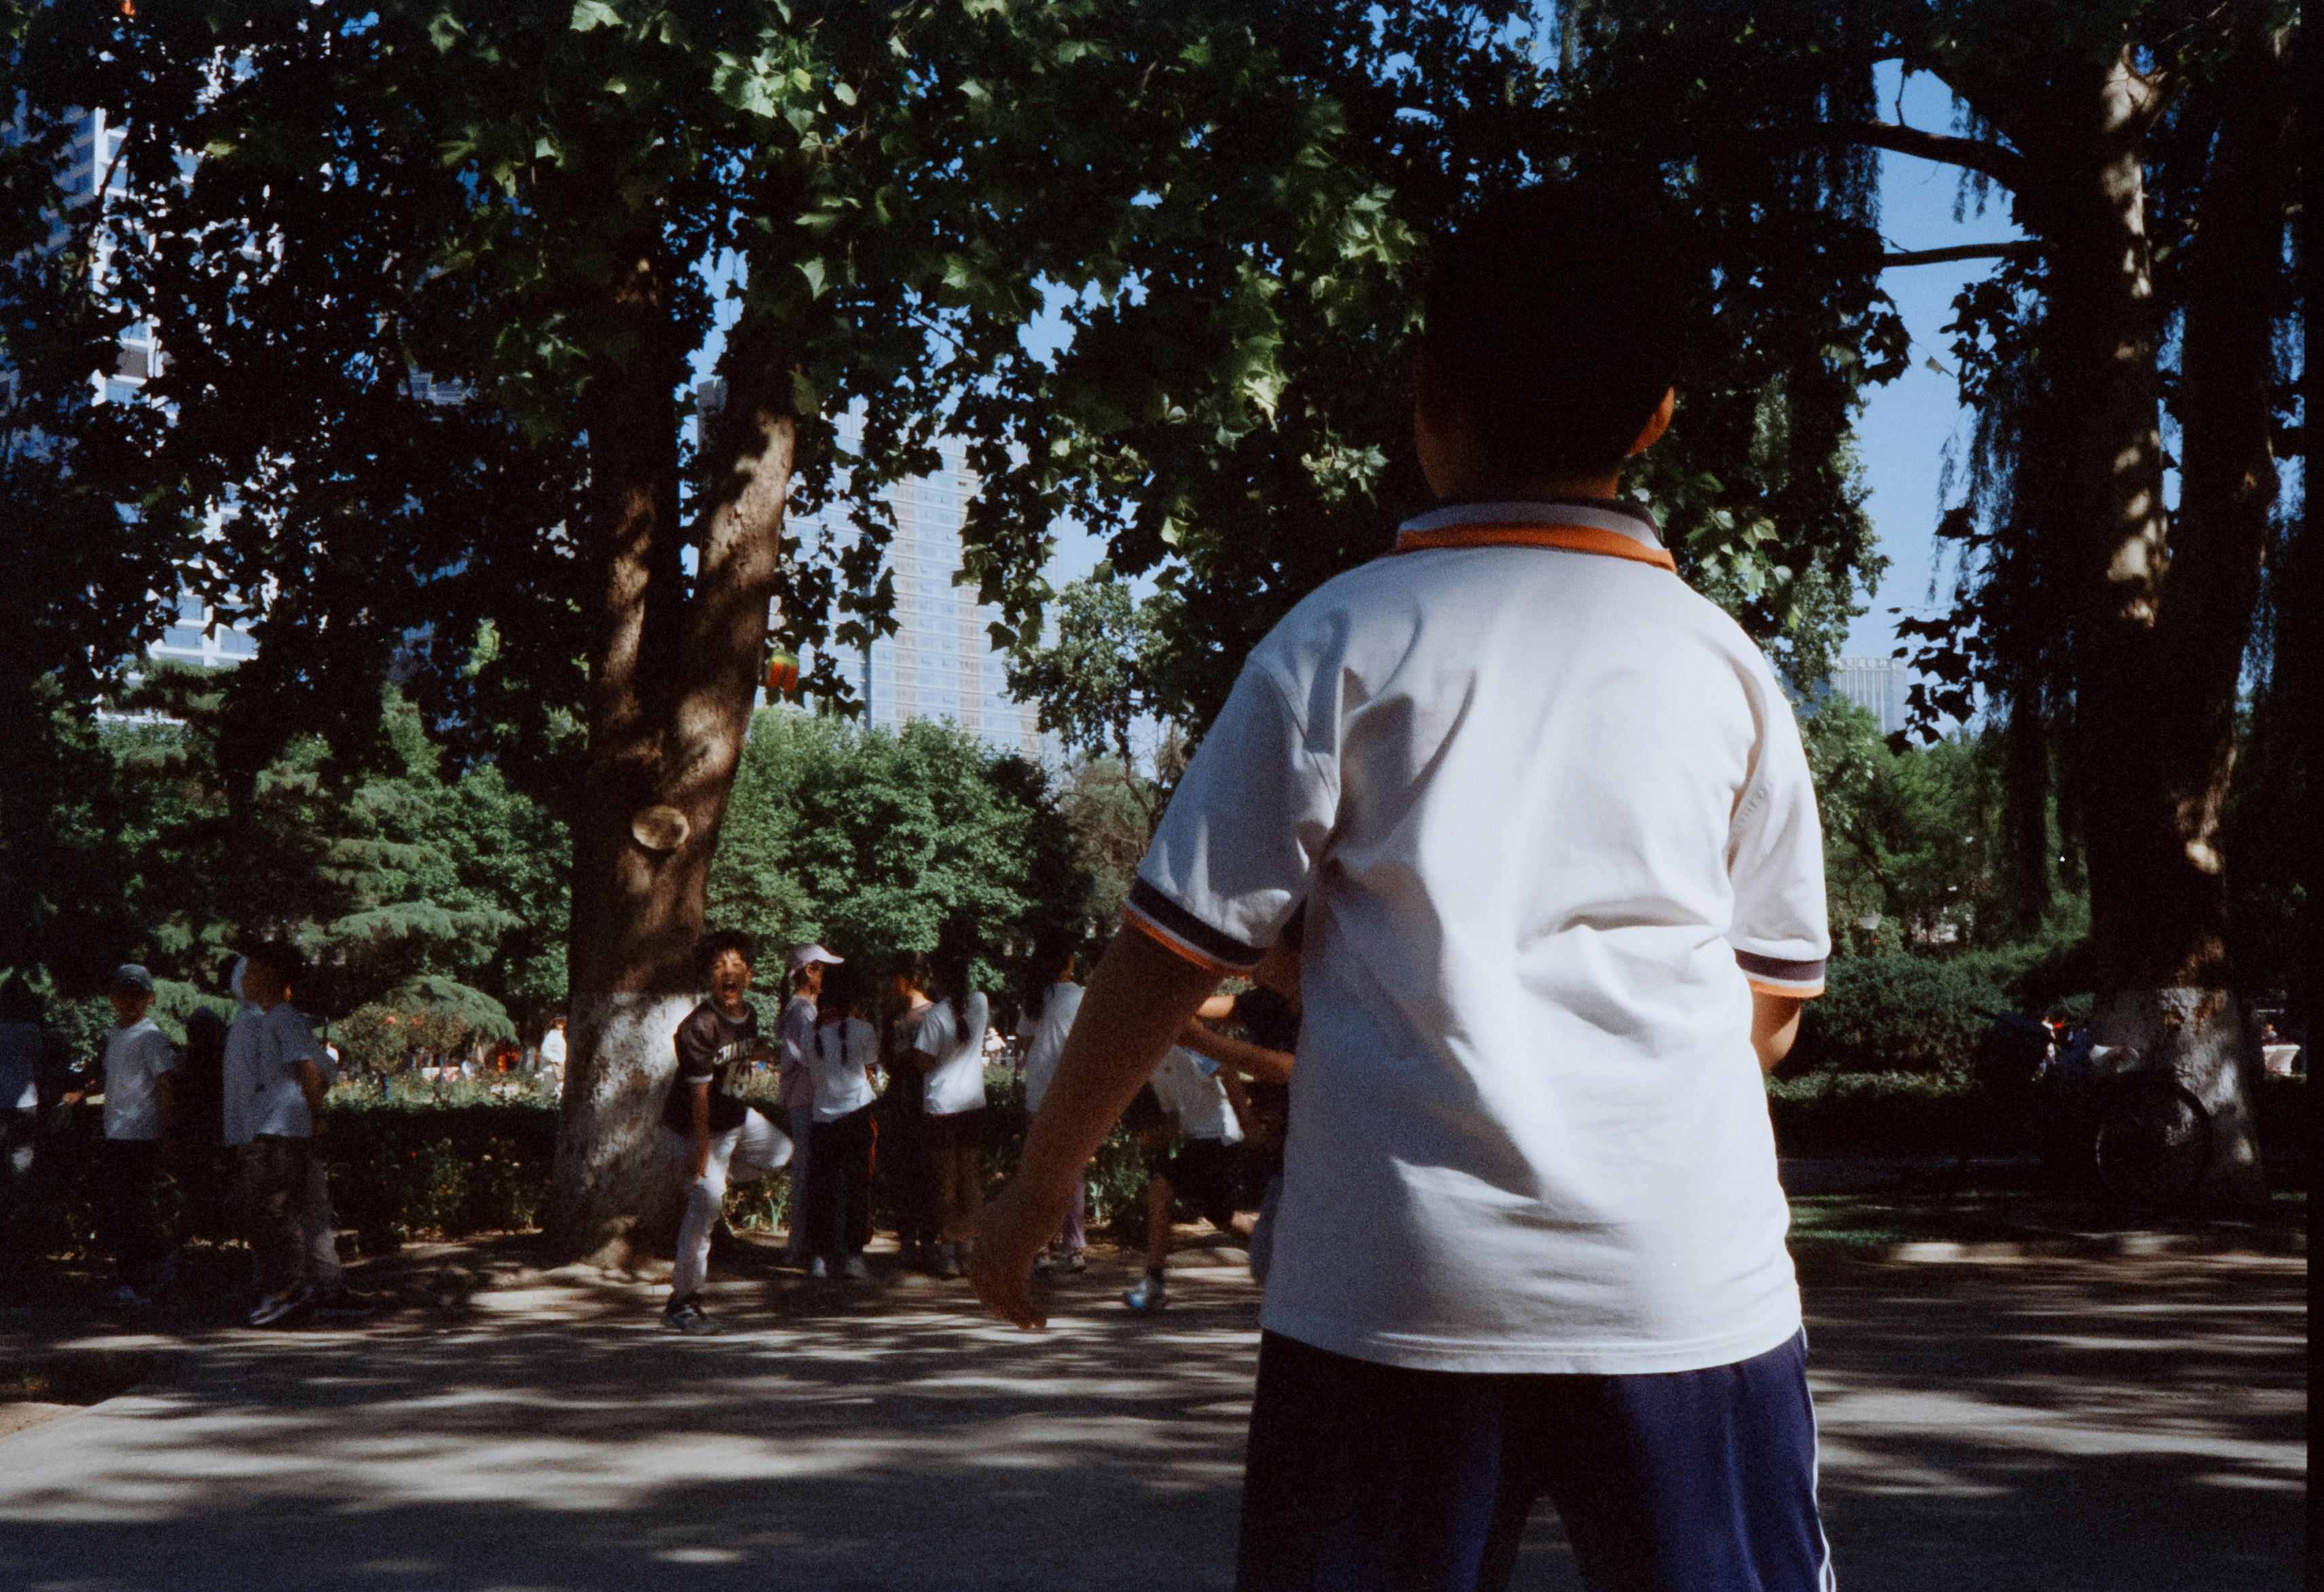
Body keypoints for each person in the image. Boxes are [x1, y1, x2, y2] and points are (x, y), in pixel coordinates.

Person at [974, 183, 1834, 1592]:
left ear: (1423, 391)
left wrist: (1033, 1190)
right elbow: (1770, 1010)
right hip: (1685, 1288)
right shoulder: (1726, 667)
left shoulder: (1333, 642)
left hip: (1392, 1293)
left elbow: (1163, 957)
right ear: (1658, 416)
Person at [661, 931, 791, 1335]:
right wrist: (701, 1159)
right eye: (719, 966)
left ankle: (710, 1183)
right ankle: (682, 1300)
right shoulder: (697, 1028)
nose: (729, 973)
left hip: (735, 1118)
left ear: (750, 975)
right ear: (707, 978)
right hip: (699, 1128)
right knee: (705, 1211)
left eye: (737, 966)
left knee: (781, 1153)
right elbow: (699, 1100)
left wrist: (763, 1055)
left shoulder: (749, 1013)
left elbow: (739, 1060)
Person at [1175, 914, 1303, 1286]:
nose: (1256, 956)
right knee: (1265, 1263)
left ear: (1296, 954)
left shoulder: (1327, 1006)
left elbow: (1288, 1068)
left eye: (1268, 945)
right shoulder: (1268, 1002)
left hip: (1333, 1165)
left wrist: (1199, 1040)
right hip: (1289, 1159)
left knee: (1274, 1267)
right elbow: (1195, 1007)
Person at [59, 965, 178, 1307]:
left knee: (129, 1208)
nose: (130, 1000)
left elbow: (165, 1085)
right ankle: (148, 1267)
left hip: (140, 1133)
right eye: (123, 992)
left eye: (137, 993)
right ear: (112, 997)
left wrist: (168, 1133)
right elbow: (113, 1077)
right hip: (117, 1130)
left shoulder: (150, 1035)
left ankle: (143, 1276)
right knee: (119, 1208)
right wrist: (83, 1091)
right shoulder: (116, 1032)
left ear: (150, 998)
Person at [236, 944, 333, 1328]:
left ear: (271, 976)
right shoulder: (271, 1019)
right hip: (272, 1127)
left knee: (275, 1210)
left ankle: (290, 1292)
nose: (243, 976)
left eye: (252, 967)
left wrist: (317, 1118)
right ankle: (285, 1289)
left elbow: (310, 1069)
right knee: (264, 1209)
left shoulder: (285, 1018)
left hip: (285, 1131)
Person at [1120, 1043, 1246, 1314]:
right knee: (1222, 1216)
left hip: (1220, 1136)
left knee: (1160, 1188)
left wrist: (1249, 1124)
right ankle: (1280, 1257)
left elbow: (1229, 1070)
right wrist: (1156, 1136)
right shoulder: (1151, 1064)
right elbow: (1176, 1117)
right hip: (1199, 1140)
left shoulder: (1187, 1046)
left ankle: (1153, 1283)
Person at [914, 952, 990, 1279]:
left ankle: (948, 1250)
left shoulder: (936, 1016)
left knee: (946, 1184)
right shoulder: (981, 1002)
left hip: (943, 1106)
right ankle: (971, 1249)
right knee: (971, 1181)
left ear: (940, 978)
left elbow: (923, 1062)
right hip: (973, 1103)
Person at [805, 967, 879, 1280]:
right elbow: (872, 1067)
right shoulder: (864, 1030)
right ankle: (853, 1257)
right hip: (857, 1114)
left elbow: (814, 1075)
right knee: (857, 1188)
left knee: (821, 1188)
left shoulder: (814, 1036)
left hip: (822, 1118)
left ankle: (818, 1258)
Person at [1017, 950, 1088, 1274]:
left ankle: (1039, 1247)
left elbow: (1025, 1044)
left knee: (1039, 1171)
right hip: (1072, 1093)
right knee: (1072, 1173)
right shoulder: (1081, 996)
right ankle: (1073, 1249)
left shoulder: (1034, 998)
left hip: (1038, 1094)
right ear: (1069, 962)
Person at [777, 945, 842, 1268]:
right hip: (808, 1099)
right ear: (809, 971)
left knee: (806, 1170)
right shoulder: (805, 1012)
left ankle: (800, 1244)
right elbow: (808, 1059)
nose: (826, 976)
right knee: (808, 1172)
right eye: (822, 969)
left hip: (801, 1098)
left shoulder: (796, 1009)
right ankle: (800, 1246)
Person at [881, 958, 939, 1271]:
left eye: (896, 979)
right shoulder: (893, 1017)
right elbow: (887, 1060)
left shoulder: (934, 1013)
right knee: (901, 1172)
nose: (892, 986)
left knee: (927, 1172)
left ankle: (929, 1241)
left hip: (926, 1099)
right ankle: (906, 1239)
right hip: (899, 1100)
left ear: (911, 980)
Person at [0, 982, 48, 1248]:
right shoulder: (32, 1031)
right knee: (20, 1165)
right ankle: (17, 1225)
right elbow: (39, 1065)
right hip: (26, 1105)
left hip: (3, 1103)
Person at [538, 1016, 568, 1096]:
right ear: (554, 1023)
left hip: (561, 1066)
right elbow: (544, 1052)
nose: (561, 1024)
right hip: (551, 1067)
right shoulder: (551, 1036)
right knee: (549, 1088)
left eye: (563, 1022)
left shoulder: (562, 1036)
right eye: (558, 1022)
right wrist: (555, 1060)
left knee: (559, 1088)